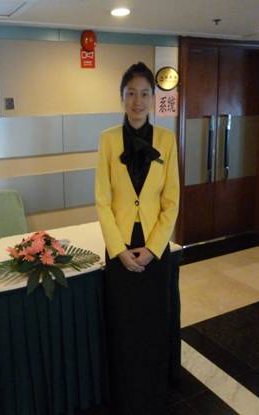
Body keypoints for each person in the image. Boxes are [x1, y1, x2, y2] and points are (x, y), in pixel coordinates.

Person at [95, 62, 179, 414]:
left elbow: (171, 201)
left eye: (145, 93)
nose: (138, 101)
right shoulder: (108, 140)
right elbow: (102, 200)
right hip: (120, 252)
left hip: (154, 252)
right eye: (131, 93)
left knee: (152, 325)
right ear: (122, 97)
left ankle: (153, 394)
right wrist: (119, 250)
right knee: (124, 327)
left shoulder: (167, 141)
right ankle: (126, 396)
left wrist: (154, 248)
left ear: (153, 98)